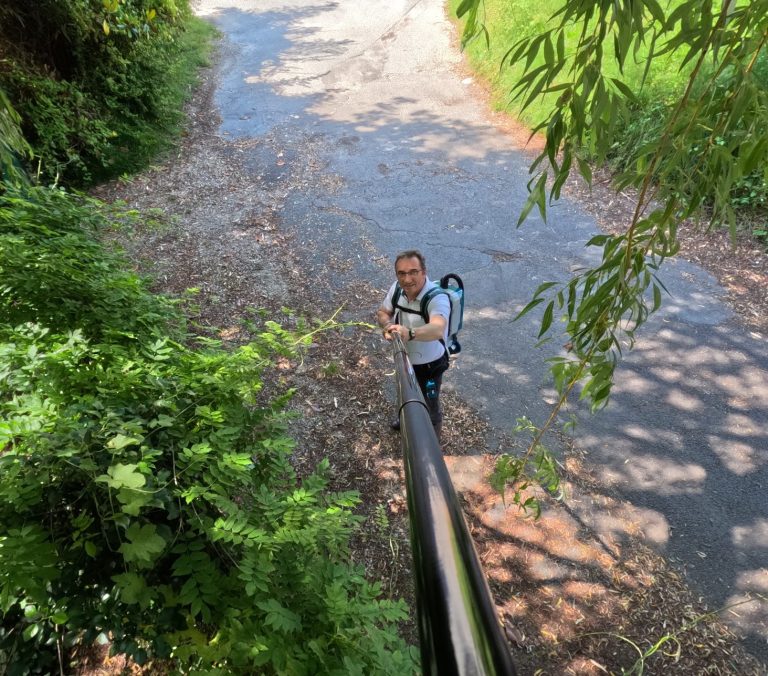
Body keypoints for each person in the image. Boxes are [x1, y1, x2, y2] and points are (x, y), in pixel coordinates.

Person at [377, 250, 451, 443]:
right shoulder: (396, 289)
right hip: (405, 358)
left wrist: (409, 333)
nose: (407, 279)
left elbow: (437, 328)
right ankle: (405, 421)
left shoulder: (437, 298)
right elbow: (384, 312)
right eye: (401, 273)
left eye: (413, 272)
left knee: (430, 403)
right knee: (405, 391)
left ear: (424, 272)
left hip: (430, 364)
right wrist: (388, 327)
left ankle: (432, 443)